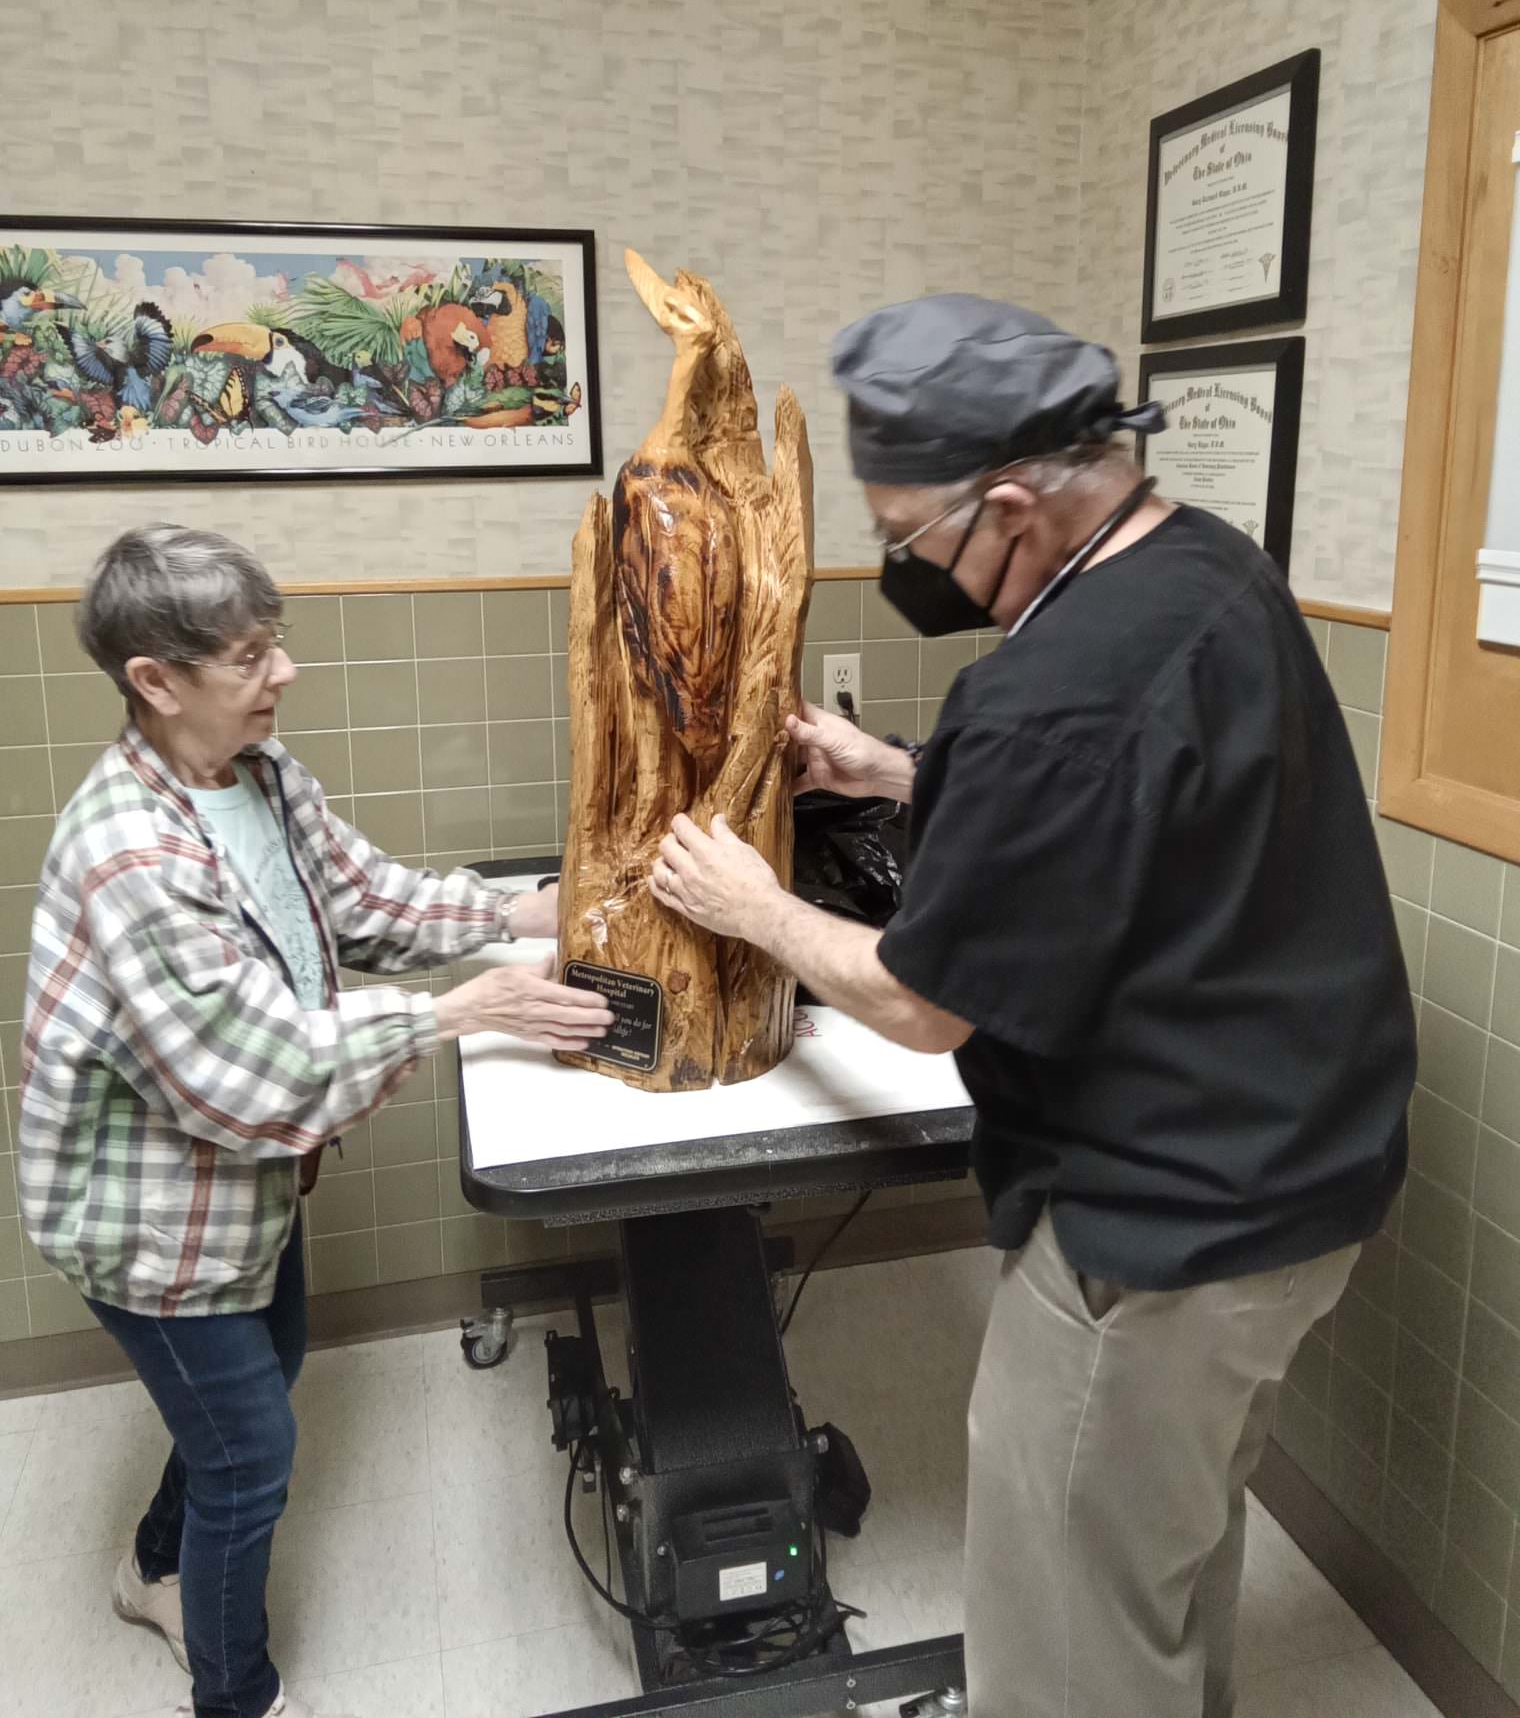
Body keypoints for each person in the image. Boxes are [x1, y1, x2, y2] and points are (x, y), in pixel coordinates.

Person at [648, 296, 1416, 1718]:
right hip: (1312, 1183)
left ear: (1010, 504)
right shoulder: (1210, 570)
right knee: (1162, 1558)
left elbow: (923, 1004)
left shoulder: (1050, 692)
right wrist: (893, 769)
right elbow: (1133, 795)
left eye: (905, 540)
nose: (901, 570)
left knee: (1068, 1613)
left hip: (1164, 1227)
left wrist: (753, 907)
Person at [19, 525, 612, 1718]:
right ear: (156, 680)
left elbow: (367, 898)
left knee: (261, 1380)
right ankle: (237, 1696)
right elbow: (251, 1076)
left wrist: (527, 908)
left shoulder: (258, 777)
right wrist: (459, 1013)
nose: (283, 673)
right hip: (150, 1218)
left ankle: (152, 1571)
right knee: (250, 1455)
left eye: (274, 642)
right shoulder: (128, 851)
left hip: (242, 1192)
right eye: (250, 656)